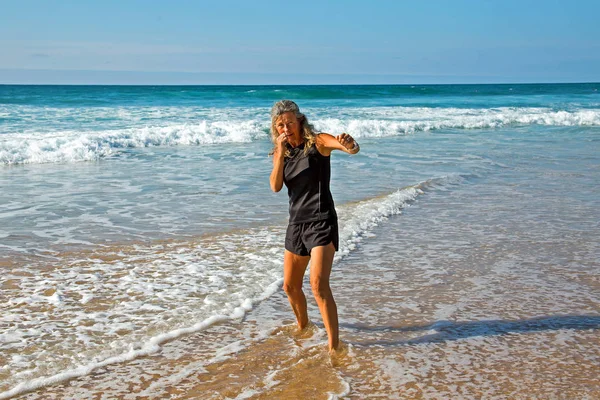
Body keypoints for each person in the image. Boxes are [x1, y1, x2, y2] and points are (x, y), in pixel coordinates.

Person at [269, 100, 359, 352]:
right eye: (280, 124)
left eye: (289, 122)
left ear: (299, 121)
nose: (285, 127)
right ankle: (304, 327)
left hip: (321, 222)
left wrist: (350, 144)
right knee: (290, 286)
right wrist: (279, 151)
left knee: (318, 285)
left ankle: (334, 347)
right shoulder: (282, 152)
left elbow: (347, 148)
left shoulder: (318, 142)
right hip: (296, 224)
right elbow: (275, 186)